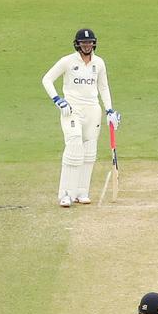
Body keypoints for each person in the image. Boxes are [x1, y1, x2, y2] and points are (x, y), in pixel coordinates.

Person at [41, 28, 120, 206]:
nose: (87, 45)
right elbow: (47, 79)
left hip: (93, 110)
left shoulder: (99, 63)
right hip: (72, 109)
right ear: (78, 44)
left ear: (94, 43)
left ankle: (81, 192)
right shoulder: (67, 61)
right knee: (74, 147)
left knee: (90, 151)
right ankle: (65, 194)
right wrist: (57, 100)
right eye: (84, 43)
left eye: (90, 42)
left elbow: (104, 88)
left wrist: (109, 110)